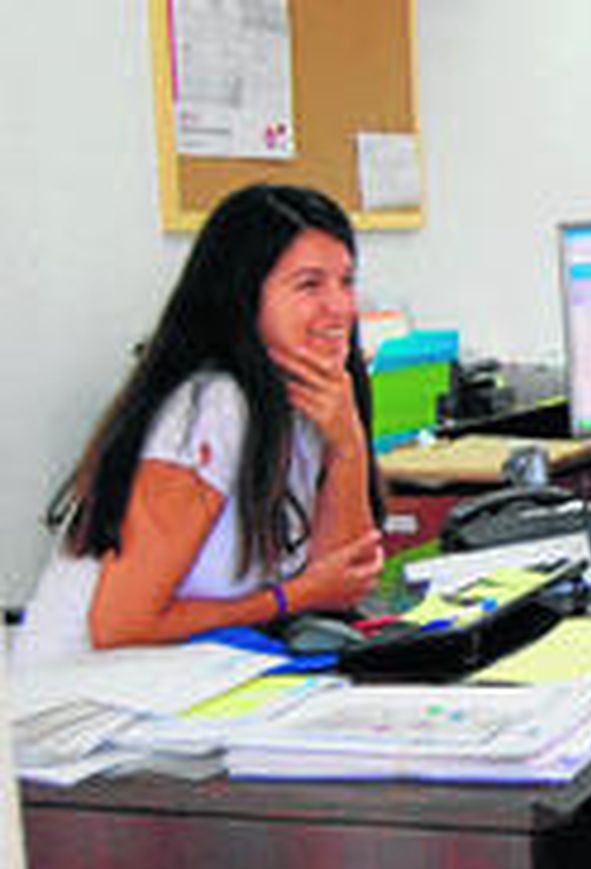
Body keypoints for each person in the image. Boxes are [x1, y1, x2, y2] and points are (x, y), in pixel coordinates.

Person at [16, 184, 385, 663]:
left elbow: (339, 585)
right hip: (84, 701)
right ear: (242, 297)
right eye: (309, 285)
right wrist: (288, 600)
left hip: (192, 681)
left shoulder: (313, 399)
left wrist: (348, 445)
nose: (340, 308)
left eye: (346, 281)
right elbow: (121, 625)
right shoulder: (213, 406)